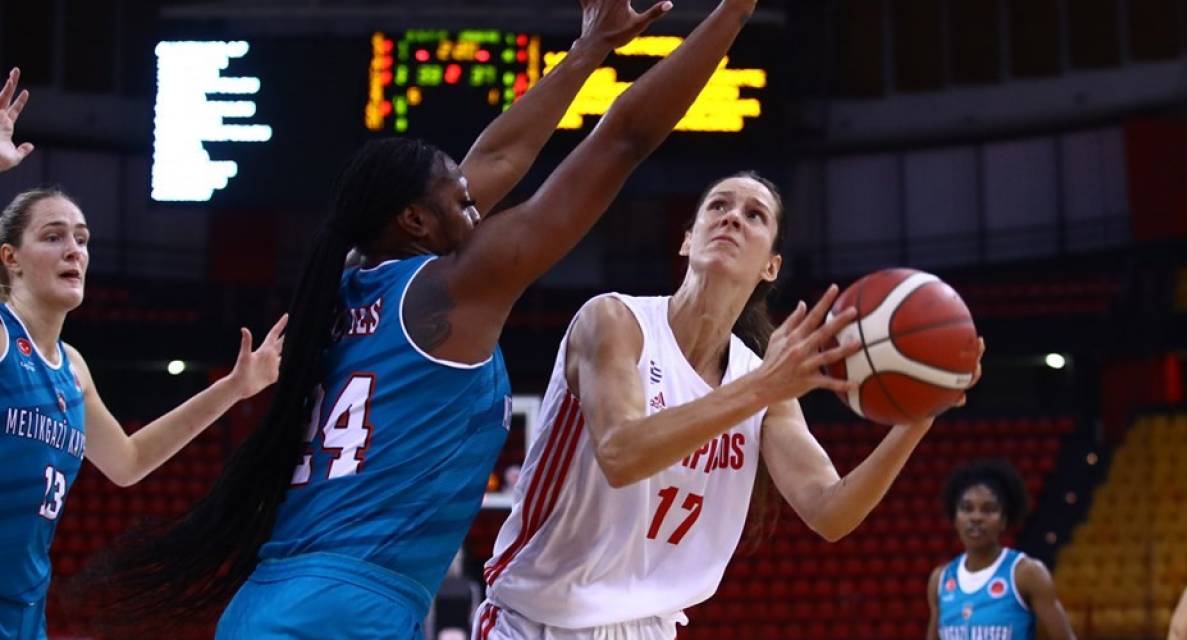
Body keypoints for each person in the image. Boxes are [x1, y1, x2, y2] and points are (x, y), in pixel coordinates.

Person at [91, 1, 763, 638]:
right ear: (414, 220)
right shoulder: (450, 292)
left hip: (267, 602)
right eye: (461, 201)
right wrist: (733, 12)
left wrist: (588, 51)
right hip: (348, 613)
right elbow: (623, 140)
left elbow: (498, 159)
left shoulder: (351, 281)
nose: (478, 210)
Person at [472, 170, 984, 639]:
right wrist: (763, 386)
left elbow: (831, 511)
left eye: (754, 215)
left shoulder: (759, 378)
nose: (733, 217)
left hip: (646, 628)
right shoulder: (614, 322)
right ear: (687, 239)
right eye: (719, 206)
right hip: (532, 622)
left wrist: (916, 418)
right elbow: (621, 454)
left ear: (771, 266)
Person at [0, 69, 287, 640]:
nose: (74, 250)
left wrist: (233, 388)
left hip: (23, 615)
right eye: (53, 236)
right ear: (10, 258)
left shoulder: (71, 368)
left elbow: (129, 463)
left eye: (82, 238)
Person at [927, 459, 1075, 640]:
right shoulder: (940, 579)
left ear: (1004, 519)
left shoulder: (1026, 573)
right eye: (967, 509)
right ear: (955, 517)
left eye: (988, 510)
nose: (976, 517)